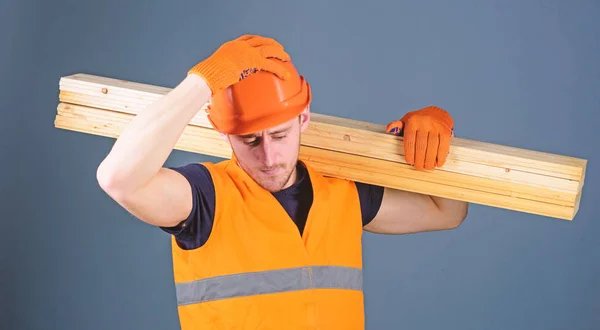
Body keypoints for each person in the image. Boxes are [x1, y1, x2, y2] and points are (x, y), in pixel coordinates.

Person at [96, 34, 469, 329]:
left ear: (304, 117)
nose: (269, 157)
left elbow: (446, 211)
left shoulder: (342, 194)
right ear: (221, 131)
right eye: (250, 140)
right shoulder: (206, 198)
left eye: (279, 135)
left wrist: (435, 148)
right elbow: (119, 179)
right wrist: (203, 82)